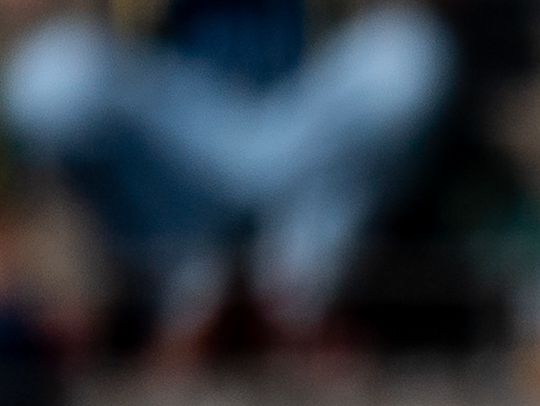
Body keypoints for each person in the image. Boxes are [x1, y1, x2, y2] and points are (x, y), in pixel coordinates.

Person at [1, 0, 451, 358]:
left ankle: (299, 290)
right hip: (177, 122)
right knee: (51, 81)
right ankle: (188, 290)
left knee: (408, 58)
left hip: (304, 113)